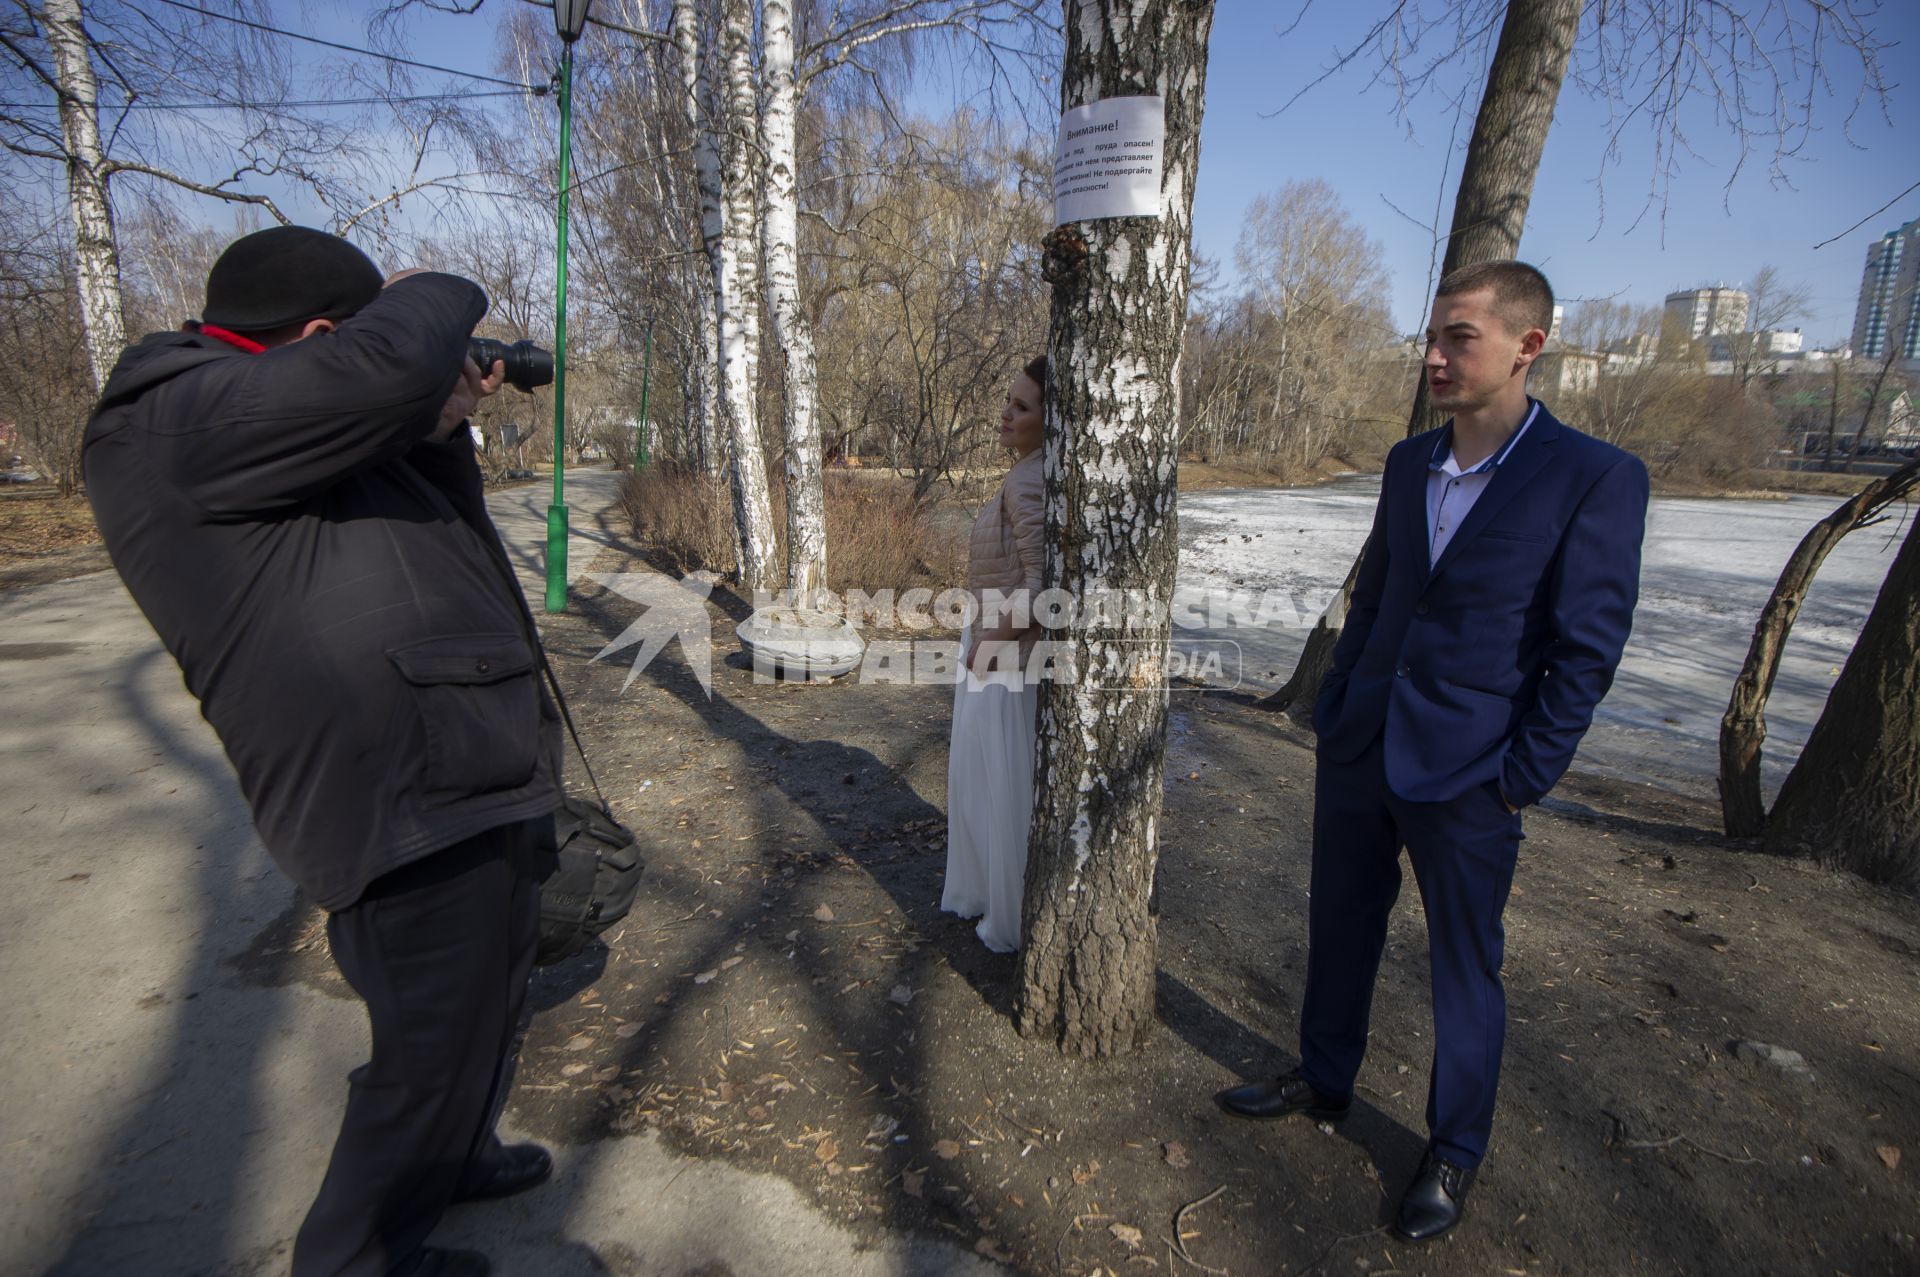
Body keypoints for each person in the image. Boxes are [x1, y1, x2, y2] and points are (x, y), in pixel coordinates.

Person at [83, 225, 563, 1277]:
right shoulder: (173, 419)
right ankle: (358, 1254)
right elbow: (385, 362)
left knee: (489, 997)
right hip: (398, 791)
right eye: (366, 340)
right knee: (427, 1044)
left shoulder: (287, 428)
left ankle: (453, 1158)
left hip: (467, 760)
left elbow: (435, 521)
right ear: (315, 337)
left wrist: (434, 423)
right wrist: (430, 299)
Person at [1216, 261, 1649, 1243]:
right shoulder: (1410, 461)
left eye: (1459, 337)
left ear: (1526, 347)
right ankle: (1323, 1077)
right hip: (1363, 745)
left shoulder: (1596, 476)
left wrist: (1518, 777)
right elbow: (1377, 595)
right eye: (1434, 335)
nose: (1434, 356)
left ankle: (1452, 1149)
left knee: (1465, 968)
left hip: (1472, 773)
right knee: (1339, 926)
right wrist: (1336, 703)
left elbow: (1586, 650)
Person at [942, 354, 1048, 953]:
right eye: (1008, 401)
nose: (1006, 414)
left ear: (1048, 420)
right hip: (996, 645)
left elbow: (1041, 587)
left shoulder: (1029, 480)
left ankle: (1003, 914)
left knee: (997, 786)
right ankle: (988, 897)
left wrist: (990, 643)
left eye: (1022, 406)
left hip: (1004, 653)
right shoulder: (1026, 472)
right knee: (984, 782)